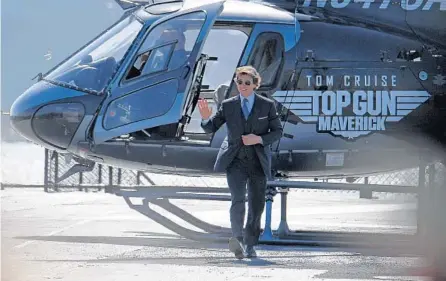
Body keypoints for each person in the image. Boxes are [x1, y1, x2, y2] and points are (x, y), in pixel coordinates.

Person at [198, 65, 283, 259]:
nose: (242, 86)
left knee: (256, 204)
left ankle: (250, 243)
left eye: (247, 82)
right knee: (237, 200)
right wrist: (205, 119)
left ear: (255, 84)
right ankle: (237, 239)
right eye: (239, 82)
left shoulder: (266, 105)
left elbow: (278, 131)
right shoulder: (228, 105)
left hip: (257, 161)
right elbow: (211, 126)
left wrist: (259, 139)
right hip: (235, 160)